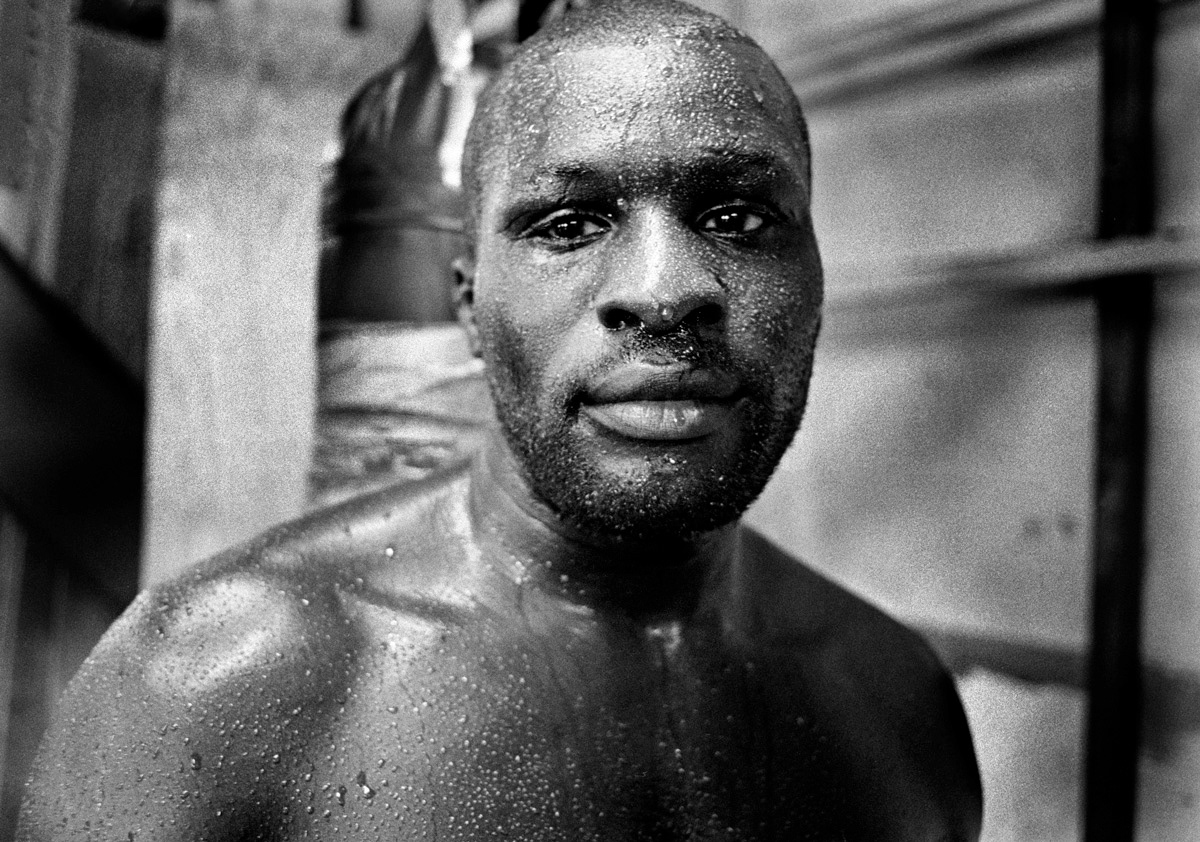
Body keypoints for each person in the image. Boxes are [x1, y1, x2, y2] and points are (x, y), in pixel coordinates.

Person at [18, 1, 982, 839]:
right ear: (468, 304)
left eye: (737, 218)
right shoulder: (205, 687)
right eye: (569, 224)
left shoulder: (899, 704)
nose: (664, 291)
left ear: (817, 276)